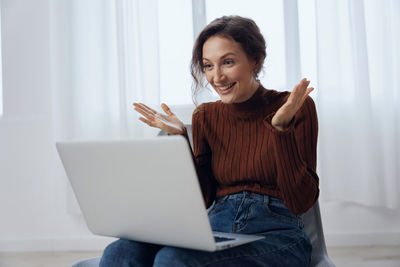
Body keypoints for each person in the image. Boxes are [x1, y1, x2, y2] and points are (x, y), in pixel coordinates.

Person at [100, 15, 319, 267]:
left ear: (255, 61)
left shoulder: (294, 107)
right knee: (119, 252)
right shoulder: (206, 116)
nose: (217, 77)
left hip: (278, 234)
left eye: (227, 62)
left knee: (172, 259)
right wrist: (181, 141)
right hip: (218, 227)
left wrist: (280, 130)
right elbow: (203, 198)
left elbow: (300, 201)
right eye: (208, 66)